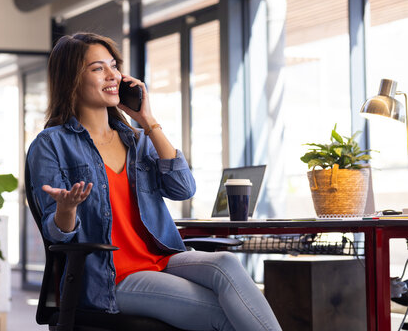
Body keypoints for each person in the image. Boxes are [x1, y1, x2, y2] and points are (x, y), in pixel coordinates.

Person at [27, 32, 281, 331]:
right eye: (98, 69)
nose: (114, 76)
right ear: (72, 79)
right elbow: (57, 235)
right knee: (223, 313)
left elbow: (183, 189)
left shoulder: (136, 139)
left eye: (114, 66)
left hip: (160, 258)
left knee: (225, 264)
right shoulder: (51, 144)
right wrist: (67, 209)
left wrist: (148, 122)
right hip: (110, 277)